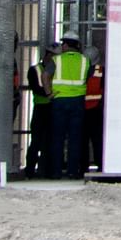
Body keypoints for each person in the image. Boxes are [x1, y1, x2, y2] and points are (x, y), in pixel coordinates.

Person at [46, 34, 92, 180]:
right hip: (78, 101)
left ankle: (56, 171)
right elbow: (89, 78)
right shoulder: (85, 61)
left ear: (65, 45)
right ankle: (72, 171)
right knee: (75, 138)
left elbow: (45, 75)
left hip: (59, 100)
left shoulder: (56, 60)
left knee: (58, 137)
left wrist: (49, 93)